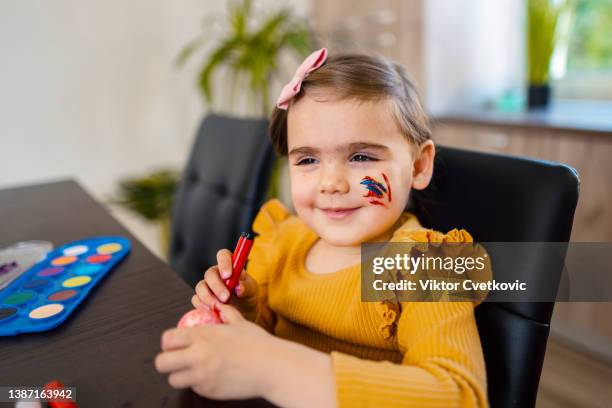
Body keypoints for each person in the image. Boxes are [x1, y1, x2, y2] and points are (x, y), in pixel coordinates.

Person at [155, 48, 489, 408]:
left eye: (361, 157)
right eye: (308, 159)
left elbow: (459, 396)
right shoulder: (284, 239)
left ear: (419, 166)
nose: (331, 183)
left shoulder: (426, 265)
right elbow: (269, 332)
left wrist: (272, 367)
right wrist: (247, 310)